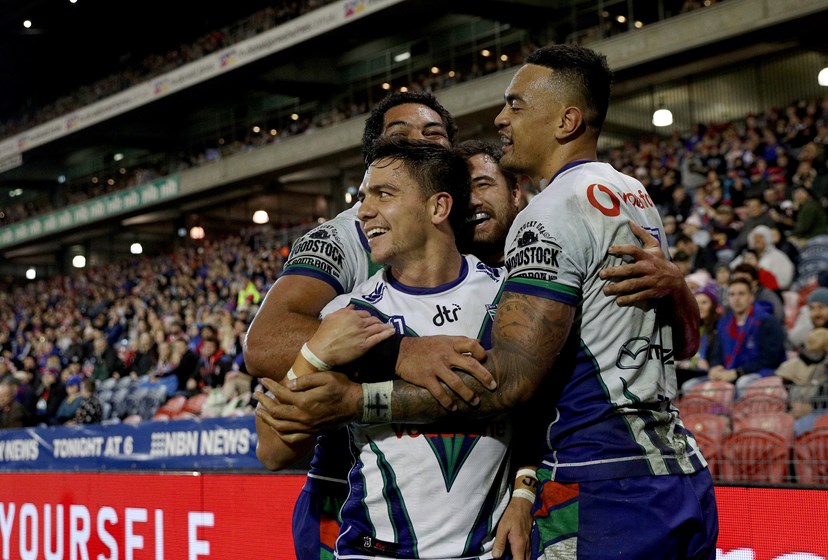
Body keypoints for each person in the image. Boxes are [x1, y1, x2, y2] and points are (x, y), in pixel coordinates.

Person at [267, 44, 715, 560]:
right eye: (399, 146)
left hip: (600, 482)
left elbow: (515, 384)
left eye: (516, 106)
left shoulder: (526, 245)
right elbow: (268, 371)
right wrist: (332, 356)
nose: (502, 117)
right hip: (357, 509)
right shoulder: (629, 191)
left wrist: (358, 398)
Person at [261, 139, 525, 559]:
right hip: (374, 551)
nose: (364, 210)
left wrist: (525, 491)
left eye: (383, 194)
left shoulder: (507, 297)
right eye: (363, 196)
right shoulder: (348, 314)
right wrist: (313, 354)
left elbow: (536, 403)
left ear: (438, 208)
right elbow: (272, 450)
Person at [706, 277, 787, 391]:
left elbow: (770, 359)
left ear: (751, 297)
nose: (736, 299)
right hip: (729, 373)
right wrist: (715, 367)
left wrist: (738, 372)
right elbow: (716, 353)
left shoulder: (767, 321)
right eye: (732, 294)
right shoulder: (724, 323)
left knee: (743, 384)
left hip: (762, 372)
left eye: (741, 294)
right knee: (690, 386)